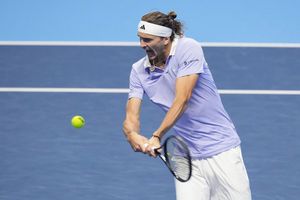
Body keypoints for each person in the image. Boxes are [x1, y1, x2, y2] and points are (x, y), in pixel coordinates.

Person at [122, 11, 252, 200]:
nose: (142, 45)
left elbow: (183, 99)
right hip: (187, 157)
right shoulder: (138, 71)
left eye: (148, 40)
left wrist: (157, 135)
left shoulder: (188, 48)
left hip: (222, 151)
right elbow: (131, 117)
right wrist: (133, 135)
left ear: (165, 39)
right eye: (140, 39)